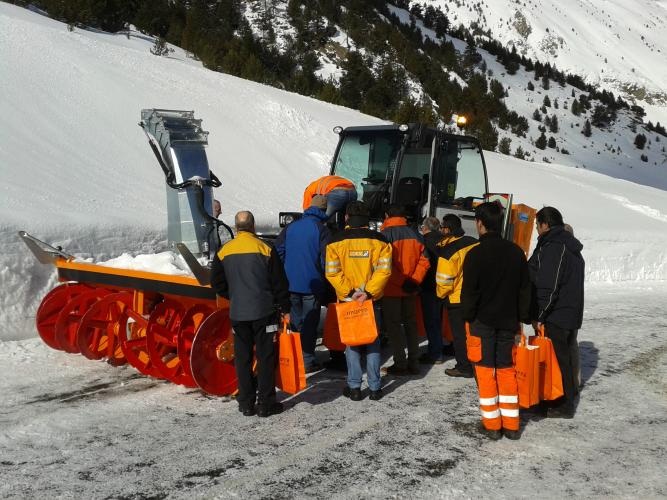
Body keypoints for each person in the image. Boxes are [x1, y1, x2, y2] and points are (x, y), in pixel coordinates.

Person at [461, 202, 531, 440]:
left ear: (480, 223)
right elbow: (524, 289)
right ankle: (511, 425)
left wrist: (467, 315)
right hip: (509, 321)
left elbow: (469, 292)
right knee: (506, 369)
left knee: (485, 371)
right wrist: (523, 317)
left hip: (482, 322)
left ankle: (492, 425)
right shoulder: (516, 253)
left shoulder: (475, 254)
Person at [210, 211, 291, 418]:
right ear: (253, 226)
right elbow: (279, 283)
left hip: (238, 313)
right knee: (265, 357)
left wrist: (234, 295)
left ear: (236, 227)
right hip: (264, 312)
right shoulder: (265, 248)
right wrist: (285, 308)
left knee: (243, 357)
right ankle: (266, 403)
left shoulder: (224, 251)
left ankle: (246, 402)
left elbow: (217, 283)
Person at [325, 201, 392, 401]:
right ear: (367, 218)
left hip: (348, 300)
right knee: (373, 342)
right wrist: (368, 292)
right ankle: (375, 388)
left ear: (346, 217)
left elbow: (332, 272)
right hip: (372, 300)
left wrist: (351, 292)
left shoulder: (335, 242)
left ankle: (354, 387)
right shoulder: (380, 241)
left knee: (352, 343)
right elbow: (384, 271)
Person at [528, 207, 585, 419]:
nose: (536, 230)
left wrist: (539, 315)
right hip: (569, 313)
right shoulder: (570, 246)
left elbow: (548, 287)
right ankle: (561, 398)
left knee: (557, 361)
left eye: (537, 225)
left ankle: (563, 403)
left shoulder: (555, 246)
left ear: (545, 224)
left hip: (557, 314)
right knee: (564, 359)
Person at [275, 194, 332, 373]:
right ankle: (306, 361)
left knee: (296, 322)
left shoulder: (291, 226)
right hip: (312, 285)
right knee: (309, 324)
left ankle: (294, 357)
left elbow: (278, 252)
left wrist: (284, 273)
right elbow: (326, 259)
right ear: (324, 210)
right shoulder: (322, 229)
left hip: (290, 283)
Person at [380, 204, 430, 376]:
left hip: (392, 289)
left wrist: (402, 281)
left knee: (394, 327)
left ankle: (400, 363)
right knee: (411, 325)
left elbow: (384, 265)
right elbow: (425, 260)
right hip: (411, 289)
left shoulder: (384, 235)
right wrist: (414, 280)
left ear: (387, 215)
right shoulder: (416, 234)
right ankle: (414, 363)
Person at [436, 214, 479, 378]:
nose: (440, 230)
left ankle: (464, 366)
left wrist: (440, 295)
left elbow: (444, 281)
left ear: (448, 229)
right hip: (474, 295)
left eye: (442, 227)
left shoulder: (448, 251)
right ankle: (476, 362)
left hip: (456, 299)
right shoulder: (473, 242)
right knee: (473, 333)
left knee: (459, 336)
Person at [418, 216, 447, 364]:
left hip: (428, 285)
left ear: (425, 227)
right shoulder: (445, 240)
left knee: (431, 321)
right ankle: (437, 348)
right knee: (439, 319)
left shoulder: (424, 241)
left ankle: (435, 353)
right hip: (444, 285)